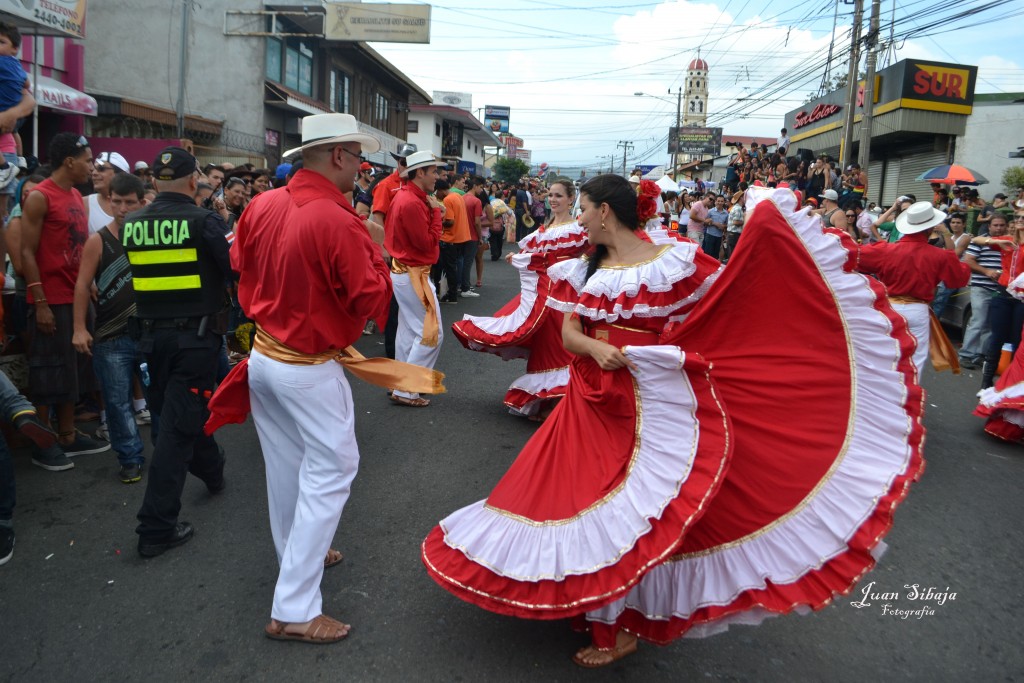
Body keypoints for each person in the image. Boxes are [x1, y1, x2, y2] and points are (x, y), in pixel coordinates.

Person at [423, 178, 928, 667]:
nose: (577, 218)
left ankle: (615, 626)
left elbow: (731, 295)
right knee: (580, 502)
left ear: (605, 212)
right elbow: (571, 334)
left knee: (636, 511)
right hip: (591, 400)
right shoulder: (581, 269)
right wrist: (600, 347)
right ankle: (600, 607)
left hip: (657, 406)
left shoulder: (675, 262)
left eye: (582, 208)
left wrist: (767, 229)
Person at [225, 113, 394, 644]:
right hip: (305, 364)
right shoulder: (335, 218)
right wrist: (379, 249)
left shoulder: (262, 202)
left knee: (287, 467)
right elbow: (372, 299)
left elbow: (238, 260)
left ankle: (300, 555)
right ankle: (295, 606)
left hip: (266, 356)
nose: (363, 166)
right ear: (338, 155)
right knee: (333, 468)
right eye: (358, 155)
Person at [124, 146, 232, 558]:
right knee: (173, 431)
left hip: (151, 341)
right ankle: (155, 528)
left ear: (153, 182)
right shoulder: (204, 221)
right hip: (195, 342)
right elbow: (234, 270)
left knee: (178, 418)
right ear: (194, 181)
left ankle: (213, 470)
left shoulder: (132, 223)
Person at [451, 178, 588, 419]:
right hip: (542, 296)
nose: (553, 200)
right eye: (551, 195)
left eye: (559, 196)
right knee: (544, 345)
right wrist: (518, 257)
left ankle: (562, 404)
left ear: (570, 199)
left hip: (566, 296)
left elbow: (591, 258)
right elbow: (531, 255)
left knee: (561, 346)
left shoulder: (579, 229)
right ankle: (546, 402)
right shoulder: (543, 230)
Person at [20, 133, 109, 462]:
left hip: (78, 296)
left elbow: (80, 246)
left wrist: (91, 284)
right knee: (49, 369)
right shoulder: (39, 197)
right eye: (88, 160)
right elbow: (27, 253)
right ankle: (43, 442)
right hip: (51, 298)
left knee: (75, 369)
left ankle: (68, 435)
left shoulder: (74, 195)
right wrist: (39, 301)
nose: (92, 166)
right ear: (69, 161)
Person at [72, 173, 147, 484]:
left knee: (164, 396)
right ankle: (130, 457)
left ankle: (173, 453)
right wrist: (79, 328)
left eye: (129, 202)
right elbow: (81, 285)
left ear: (142, 203)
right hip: (110, 336)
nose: (122, 208)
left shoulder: (150, 237)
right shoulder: (97, 240)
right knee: (116, 402)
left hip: (149, 332)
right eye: (117, 201)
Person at [857, 202, 970, 374]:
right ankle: (907, 397)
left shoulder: (886, 250)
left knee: (881, 360)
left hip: (888, 308)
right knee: (913, 364)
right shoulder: (940, 255)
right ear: (930, 227)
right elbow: (958, 279)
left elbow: (853, 257)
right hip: (917, 310)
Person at [383, 150, 444, 407]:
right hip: (413, 272)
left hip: (406, 272)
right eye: (434, 171)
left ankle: (402, 385)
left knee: (409, 330)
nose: (437, 177)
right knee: (432, 333)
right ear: (420, 173)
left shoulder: (408, 197)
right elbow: (427, 244)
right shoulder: (412, 201)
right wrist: (437, 213)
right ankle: (407, 389)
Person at [959, 215, 1007, 369]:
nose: (999, 228)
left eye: (1002, 225)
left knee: (990, 323)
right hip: (981, 287)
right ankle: (966, 354)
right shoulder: (979, 241)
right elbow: (968, 260)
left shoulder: (1008, 242)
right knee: (978, 320)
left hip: (1000, 289)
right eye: (996, 225)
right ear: (989, 226)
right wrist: (987, 271)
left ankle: (980, 354)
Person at [86, 151, 130, 234]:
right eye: (94, 169)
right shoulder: (83, 203)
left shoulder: (142, 204)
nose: (94, 173)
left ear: (120, 174)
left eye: (101, 169)